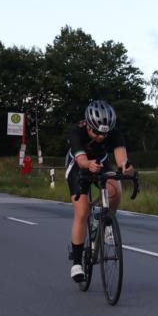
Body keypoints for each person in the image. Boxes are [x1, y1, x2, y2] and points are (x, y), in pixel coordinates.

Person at [66, 100, 135, 282]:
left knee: (115, 189)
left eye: (105, 133)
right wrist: (88, 165)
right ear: (88, 124)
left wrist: (124, 166)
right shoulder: (76, 131)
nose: (101, 137)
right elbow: (81, 160)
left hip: (101, 160)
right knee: (81, 211)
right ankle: (77, 262)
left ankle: (107, 223)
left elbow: (121, 157)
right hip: (79, 164)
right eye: (96, 132)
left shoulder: (114, 132)